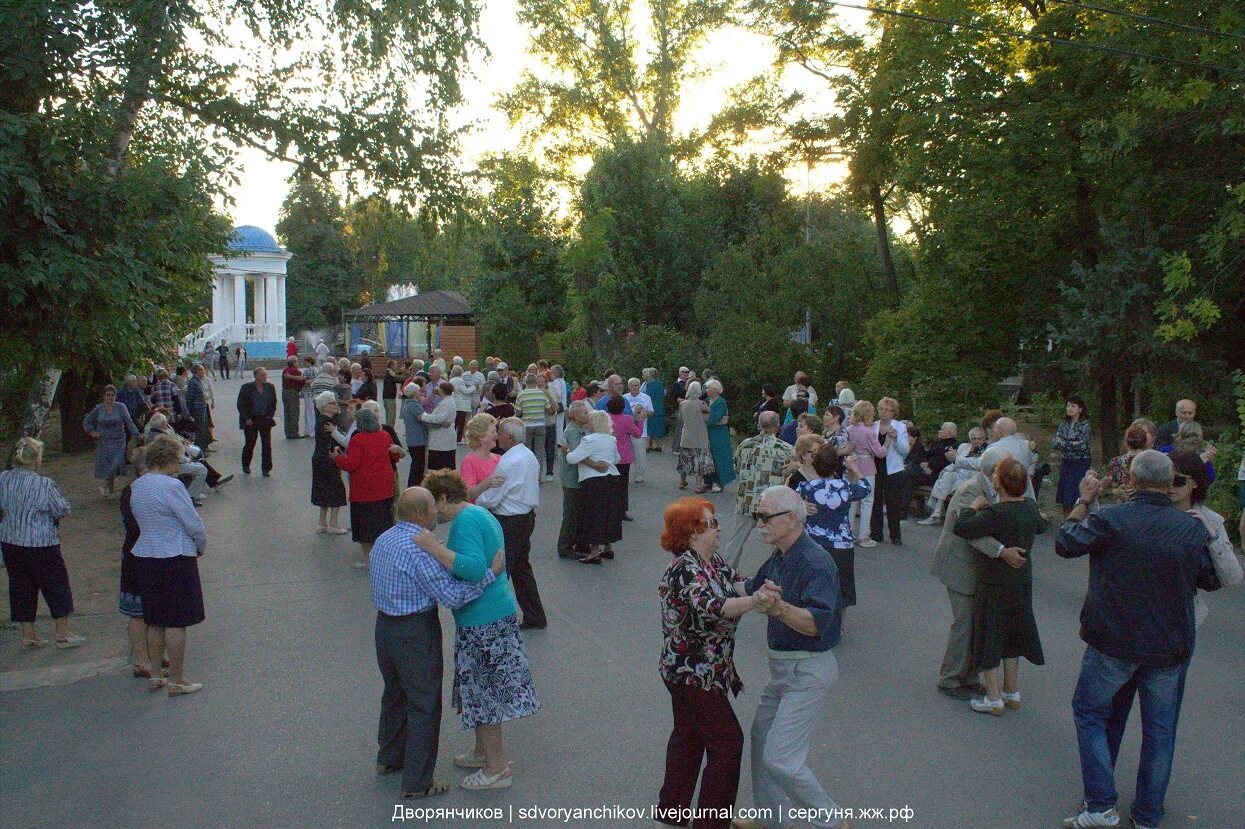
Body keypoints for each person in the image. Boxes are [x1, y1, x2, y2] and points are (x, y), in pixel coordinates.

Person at [1055, 452, 1221, 829]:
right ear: (1169, 482)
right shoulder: (1189, 528)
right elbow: (1209, 579)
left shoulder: (1111, 519)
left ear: (1131, 480)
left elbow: (1065, 543)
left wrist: (1083, 501)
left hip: (1113, 640)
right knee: (1160, 730)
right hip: (1168, 644)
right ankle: (1147, 814)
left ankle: (1100, 803)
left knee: (1092, 712)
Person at [368, 485, 505, 798]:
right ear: (419, 515)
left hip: (385, 627)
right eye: (431, 508)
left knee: (394, 693)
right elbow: (452, 596)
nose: (437, 513)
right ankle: (418, 782)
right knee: (424, 703)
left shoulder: (385, 539)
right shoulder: (419, 549)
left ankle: (390, 757)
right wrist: (490, 574)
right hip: (414, 632)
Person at [733, 486, 852, 829]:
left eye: (764, 517)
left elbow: (818, 624)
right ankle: (771, 819)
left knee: (781, 758)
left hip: (808, 671)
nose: (759, 524)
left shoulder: (816, 562)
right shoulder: (780, 556)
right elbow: (750, 587)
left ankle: (833, 822)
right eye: (758, 517)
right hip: (783, 669)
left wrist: (781, 608)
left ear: (790, 519)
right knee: (761, 739)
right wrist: (705, 576)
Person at [418, 472, 541, 790]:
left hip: (482, 620)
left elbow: (472, 569)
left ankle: (496, 768)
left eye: (434, 505)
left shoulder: (465, 521)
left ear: (444, 497)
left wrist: (435, 550)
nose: (434, 514)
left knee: (484, 695)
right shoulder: (479, 513)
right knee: (481, 691)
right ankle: (483, 753)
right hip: (492, 614)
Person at [656, 498, 767, 829]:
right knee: (728, 742)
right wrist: (755, 601)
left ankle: (671, 811)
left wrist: (766, 584)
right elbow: (714, 606)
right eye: (712, 523)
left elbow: (739, 583)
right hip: (692, 672)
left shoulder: (711, 561)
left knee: (689, 736)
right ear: (693, 532)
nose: (718, 528)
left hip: (701, 670)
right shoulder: (683, 569)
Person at [952, 457, 1046, 716]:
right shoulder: (1028, 507)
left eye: (996, 474)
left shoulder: (997, 513)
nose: (992, 477)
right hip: (1021, 580)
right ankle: (1011, 690)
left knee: (990, 635)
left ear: (1002, 484)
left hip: (995, 582)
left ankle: (993, 698)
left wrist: (973, 508)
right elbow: (1041, 526)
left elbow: (962, 528)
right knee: (1012, 635)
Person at [930, 446, 1018, 699]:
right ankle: (950, 679)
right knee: (965, 625)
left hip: (976, 568)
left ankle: (968, 676)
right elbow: (969, 533)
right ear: (993, 471)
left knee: (976, 624)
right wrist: (1002, 551)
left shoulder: (990, 489)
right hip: (960, 566)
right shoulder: (970, 490)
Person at [129, 435, 208, 696]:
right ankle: (176, 678)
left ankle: (155, 673)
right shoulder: (172, 486)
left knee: (155, 620)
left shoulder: (137, 486)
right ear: (168, 459)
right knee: (177, 621)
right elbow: (192, 522)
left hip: (146, 555)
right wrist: (200, 545)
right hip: (174, 555)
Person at [0, 437, 85, 650]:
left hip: (11, 540)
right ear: (36, 460)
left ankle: (28, 633)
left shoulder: (3, 479)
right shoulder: (44, 484)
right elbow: (61, 509)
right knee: (56, 585)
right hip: (41, 542)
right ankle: (63, 632)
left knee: (20, 585)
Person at [475, 418, 546, 629]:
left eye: (500, 433)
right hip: (526, 517)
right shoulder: (529, 456)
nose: (497, 436)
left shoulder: (508, 461)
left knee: (500, 570)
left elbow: (493, 497)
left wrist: (477, 499)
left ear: (509, 437)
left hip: (509, 521)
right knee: (521, 568)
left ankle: (497, 619)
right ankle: (535, 615)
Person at [796, 447, 871, 622]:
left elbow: (788, 500)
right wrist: (854, 468)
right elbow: (865, 488)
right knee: (841, 585)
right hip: (841, 544)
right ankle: (839, 623)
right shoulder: (844, 488)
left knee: (812, 581)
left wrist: (801, 504)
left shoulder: (806, 487)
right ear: (836, 466)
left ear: (814, 466)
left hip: (813, 542)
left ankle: (810, 618)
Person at [1168, 451, 1241, 626]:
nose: (1170, 486)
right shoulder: (1151, 512)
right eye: (1165, 480)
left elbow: (1232, 578)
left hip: (1183, 616)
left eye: (1178, 480)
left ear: (1194, 482)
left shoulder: (1211, 520)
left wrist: (1211, 537)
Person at [722, 411, 795, 568]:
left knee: (737, 539)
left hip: (747, 500)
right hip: (773, 504)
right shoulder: (787, 449)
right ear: (778, 427)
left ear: (759, 425)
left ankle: (726, 572)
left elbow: (736, 466)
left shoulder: (745, 445)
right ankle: (780, 574)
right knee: (781, 541)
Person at [333, 407, 395, 569]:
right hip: (384, 486)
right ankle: (384, 557)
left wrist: (337, 458)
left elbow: (352, 464)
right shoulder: (385, 435)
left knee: (365, 527)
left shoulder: (358, 439)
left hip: (364, 489)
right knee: (383, 523)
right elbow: (393, 455)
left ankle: (368, 560)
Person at [566, 410, 623, 564]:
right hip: (611, 478)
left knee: (593, 515)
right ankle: (608, 547)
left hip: (593, 481)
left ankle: (593, 551)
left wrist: (568, 451)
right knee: (608, 513)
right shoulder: (611, 439)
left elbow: (573, 459)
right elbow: (617, 458)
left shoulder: (589, 440)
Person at [920, 426, 987, 524]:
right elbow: (954, 462)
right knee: (946, 475)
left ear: (984, 438)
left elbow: (977, 465)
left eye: (979, 438)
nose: (976, 441)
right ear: (970, 439)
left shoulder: (985, 450)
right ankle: (937, 512)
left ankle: (937, 512)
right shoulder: (963, 446)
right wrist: (946, 469)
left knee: (944, 482)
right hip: (957, 475)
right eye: (974, 438)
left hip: (970, 479)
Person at [84, 383, 139, 495]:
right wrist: (92, 432)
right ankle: (110, 490)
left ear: (115, 396)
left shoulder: (121, 407)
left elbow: (129, 421)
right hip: (104, 440)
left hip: (119, 440)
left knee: (117, 463)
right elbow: (87, 420)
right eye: (108, 395)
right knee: (107, 465)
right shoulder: (99, 408)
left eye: (112, 395)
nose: (110, 397)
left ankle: (108, 488)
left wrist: (137, 434)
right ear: (104, 396)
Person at [845, 401, 887, 547]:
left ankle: (848, 533)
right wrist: (887, 442)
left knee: (851, 502)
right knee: (867, 502)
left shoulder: (849, 429)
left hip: (851, 466)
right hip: (867, 467)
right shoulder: (869, 432)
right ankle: (863, 536)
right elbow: (880, 453)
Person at [869, 397, 909, 546]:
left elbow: (905, 451)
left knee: (893, 503)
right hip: (875, 468)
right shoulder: (873, 426)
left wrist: (896, 438)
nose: (884, 412)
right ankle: (876, 533)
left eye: (887, 410)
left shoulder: (899, 427)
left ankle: (895, 535)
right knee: (875, 502)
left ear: (894, 413)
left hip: (893, 469)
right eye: (881, 409)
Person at [311, 392, 349, 534]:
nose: (336, 405)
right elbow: (335, 442)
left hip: (319, 458)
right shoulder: (328, 422)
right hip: (329, 458)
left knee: (323, 490)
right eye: (332, 403)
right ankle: (333, 524)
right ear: (324, 406)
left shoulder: (322, 420)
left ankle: (322, 523)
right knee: (336, 490)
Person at [607, 395, 644, 521]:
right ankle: (622, 510)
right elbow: (637, 434)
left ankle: (609, 509)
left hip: (608, 455)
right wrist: (640, 420)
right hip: (624, 456)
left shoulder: (605, 418)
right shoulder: (627, 419)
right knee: (623, 484)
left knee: (609, 483)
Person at [1053, 397, 1093, 514]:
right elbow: (1055, 442)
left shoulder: (1085, 425)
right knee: (1065, 495)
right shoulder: (1064, 424)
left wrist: (1064, 443)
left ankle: (1078, 520)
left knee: (1076, 493)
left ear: (1080, 409)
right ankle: (1066, 521)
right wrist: (1071, 443)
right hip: (1066, 462)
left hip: (1080, 463)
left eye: (1073, 406)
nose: (1069, 408)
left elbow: (1082, 446)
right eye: (1068, 406)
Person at [237, 367, 277, 476]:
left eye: (265, 374)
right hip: (251, 419)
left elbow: (273, 403)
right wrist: (247, 418)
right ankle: (246, 465)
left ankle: (266, 469)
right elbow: (241, 405)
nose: (265, 377)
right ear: (256, 376)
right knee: (250, 443)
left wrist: (270, 416)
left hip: (264, 419)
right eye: (263, 375)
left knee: (267, 444)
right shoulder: (246, 388)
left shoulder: (270, 387)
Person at [677, 381, 713, 492]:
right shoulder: (702, 404)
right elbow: (708, 419)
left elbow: (681, 418)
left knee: (685, 460)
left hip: (686, 435)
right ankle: (698, 485)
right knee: (699, 461)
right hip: (699, 436)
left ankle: (682, 481)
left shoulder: (683, 404)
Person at [459, 414, 503, 502]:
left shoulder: (499, 458)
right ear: (480, 436)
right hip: (478, 512)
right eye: (493, 432)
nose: (497, 436)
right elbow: (468, 495)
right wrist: (486, 484)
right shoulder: (469, 461)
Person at [703, 379, 735, 493]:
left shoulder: (721, 402)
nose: (706, 391)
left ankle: (719, 482)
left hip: (719, 433)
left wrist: (707, 414)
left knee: (718, 456)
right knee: (708, 456)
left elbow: (715, 417)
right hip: (708, 432)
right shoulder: (706, 400)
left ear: (715, 390)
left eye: (708, 388)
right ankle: (707, 481)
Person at [419, 381, 459, 472]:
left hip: (442, 441)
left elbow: (439, 418)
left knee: (440, 467)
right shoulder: (447, 401)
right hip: (443, 440)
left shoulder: (446, 403)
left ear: (442, 390)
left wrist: (423, 416)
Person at [400, 381, 429, 487]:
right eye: (417, 390)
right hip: (418, 439)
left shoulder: (407, 405)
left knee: (416, 465)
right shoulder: (415, 406)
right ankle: (414, 486)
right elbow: (425, 419)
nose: (419, 392)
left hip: (412, 439)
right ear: (413, 393)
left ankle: (413, 486)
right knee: (418, 467)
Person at [185, 366, 211, 453]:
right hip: (197, 409)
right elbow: (189, 397)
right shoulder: (193, 382)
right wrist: (188, 410)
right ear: (197, 371)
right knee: (200, 430)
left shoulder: (198, 381)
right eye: (202, 370)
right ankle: (199, 451)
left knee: (203, 429)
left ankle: (202, 449)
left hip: (202, 408)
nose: (204, 372)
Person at [449, 365, 477, 443]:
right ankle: (458, 439)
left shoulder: (451, 380)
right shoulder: (459, 380)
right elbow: (465, 391)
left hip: (454, 404)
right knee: (461, 424)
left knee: (455, 423)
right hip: (461, 405)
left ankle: (452, 439)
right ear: (460, 372)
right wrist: (474, 387)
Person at [642, 368, 667, 451]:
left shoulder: (650, 384)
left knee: (650, 427)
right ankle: (658, 446)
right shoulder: (660, 384)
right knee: (659, 427)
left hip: (652, 407)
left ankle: (648, 446)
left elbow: (649, 396)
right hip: (660, 407)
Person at [280, 356, 304, 439]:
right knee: (294, 412)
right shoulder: (296, 371)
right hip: (292, 392)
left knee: (287, 413)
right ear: (293, 363)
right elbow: (302, 379)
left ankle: (288, 433)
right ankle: (294, 432)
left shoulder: (285, 370)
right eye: (297, 362)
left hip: (284, 391)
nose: (298, 364)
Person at [299, 356, 319, 438]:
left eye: (305, 362)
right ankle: (308, 430)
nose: (304, 363)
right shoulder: (316, 370)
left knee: (309, 412)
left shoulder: (308, 370)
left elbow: (304, 380)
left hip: (308, 392)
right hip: (313, 392)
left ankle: (311, 431)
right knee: (310, 411)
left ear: (309, 362)